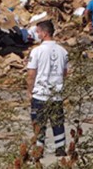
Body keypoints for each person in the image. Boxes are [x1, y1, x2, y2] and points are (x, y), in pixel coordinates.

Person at [26, 20, 69, 156]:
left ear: (44, 33)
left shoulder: (37, 51)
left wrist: (29, 91)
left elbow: (31, 74)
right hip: (56, 93)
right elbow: (65, 72)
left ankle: (39, 149)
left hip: (40, 94)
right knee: (58, 122)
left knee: (38, 123)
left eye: (38, 32)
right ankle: (60, 148)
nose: (37, 34)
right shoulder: (63, 51)